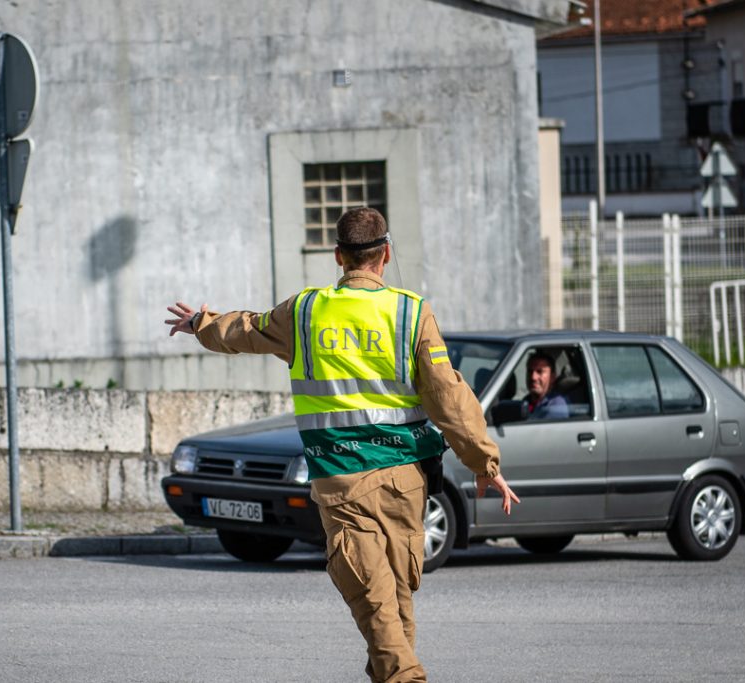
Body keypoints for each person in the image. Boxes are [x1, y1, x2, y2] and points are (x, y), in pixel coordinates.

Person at [165, 207, 518, 683]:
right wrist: (483, 461)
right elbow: (449, 395)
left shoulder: (306, 310)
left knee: (378, 601)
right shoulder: (412, 312)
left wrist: (200, 322)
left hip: (343, 477)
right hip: (405, 478)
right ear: (385, 254)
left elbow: (244, 329)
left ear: (338, 256)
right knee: (390, 602)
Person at [524, 351, 569, 420]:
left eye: (539, 372)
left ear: (552, 377)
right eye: (530, 371)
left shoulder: (557, 405)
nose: (533, 377)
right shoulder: (526, 401)